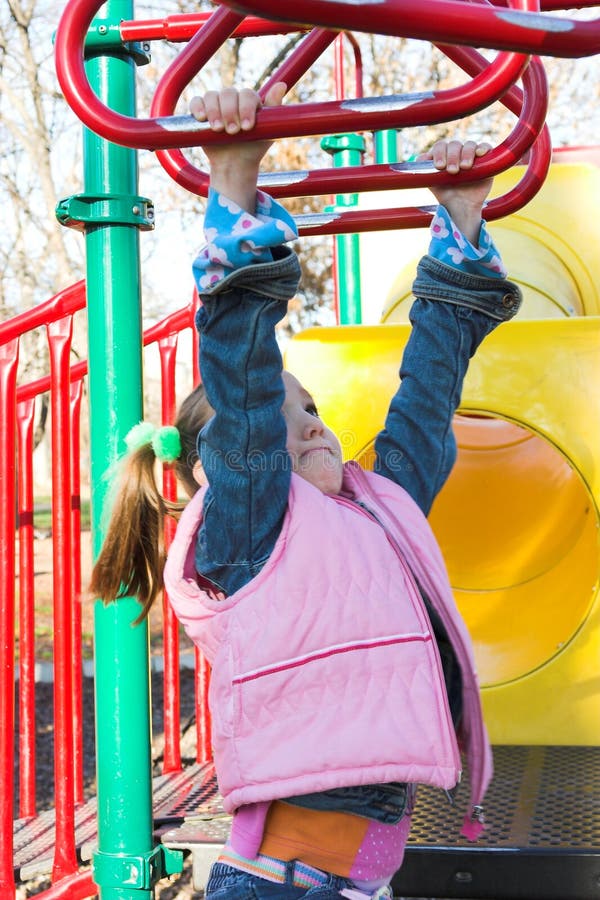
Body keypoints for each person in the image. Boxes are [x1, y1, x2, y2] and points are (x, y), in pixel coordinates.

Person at [91, 82, 522, 900]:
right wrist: (236, 190)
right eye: (286, 422)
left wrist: (461, 217)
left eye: (314, 407)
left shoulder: (374, 506)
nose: (313, 426)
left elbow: (424, 405)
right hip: (284, 888)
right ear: (224, 465)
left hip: (352, 885)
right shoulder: (249, 527)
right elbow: (246, 396)